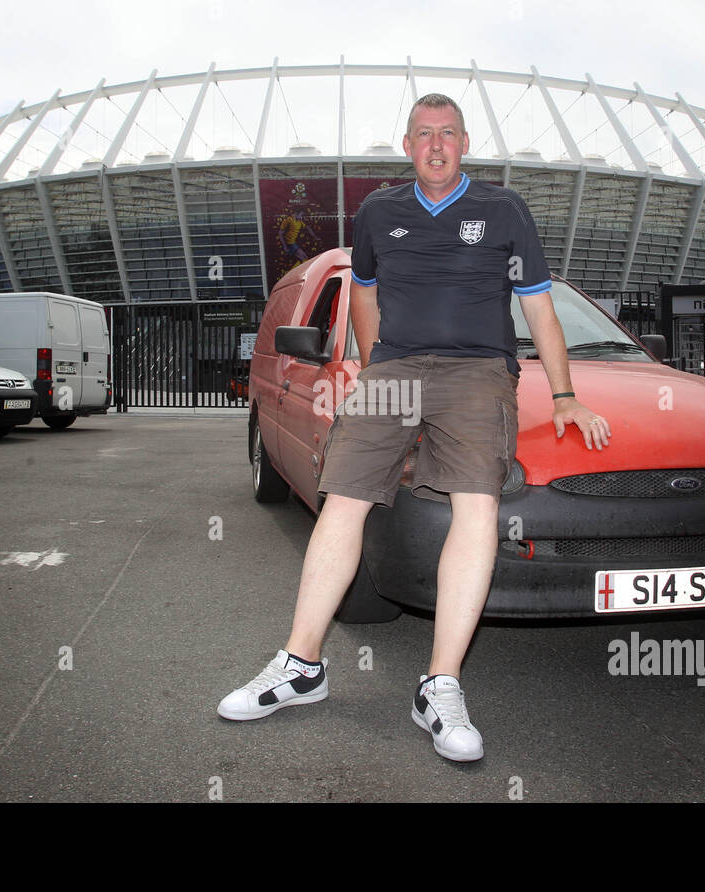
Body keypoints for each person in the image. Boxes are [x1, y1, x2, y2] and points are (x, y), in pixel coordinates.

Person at [217, 93, 612, 762]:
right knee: (342, 500)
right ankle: (302, 665)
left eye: (448, 133)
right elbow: (364, 291)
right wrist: (373, 369)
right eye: (424, 134)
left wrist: (567, 393)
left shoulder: (503, 210)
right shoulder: (379, 211)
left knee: (477, 508)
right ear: (407, 145)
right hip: (394, 368)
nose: (436, 144)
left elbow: (539, 307)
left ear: (465, 143)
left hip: (478, 372)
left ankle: (439, 685)